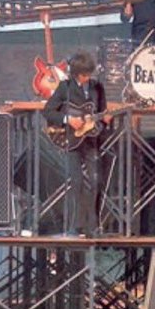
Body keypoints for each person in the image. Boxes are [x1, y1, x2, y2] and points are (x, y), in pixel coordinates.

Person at [43, 51, 111, 238]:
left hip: (91, 140)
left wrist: (103, 121)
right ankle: (77, 225)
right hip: (71, 140)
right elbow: (48, 111)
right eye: (83, 75)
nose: (86, 78)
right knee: (77, 182)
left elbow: (102, 113)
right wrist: (68, 120)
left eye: (89, 74)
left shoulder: (98, 87)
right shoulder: (65, 88)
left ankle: (94, 225)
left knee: (97, 180)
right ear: (76, 74)